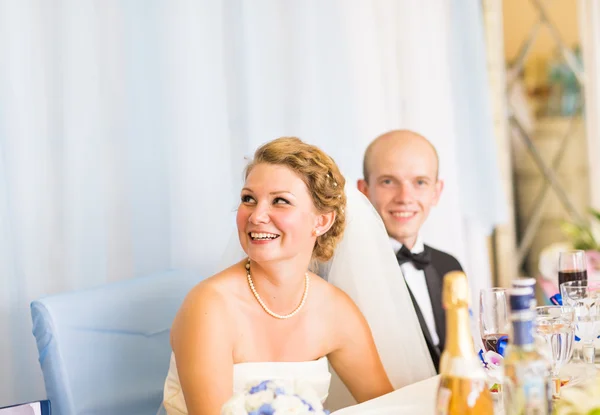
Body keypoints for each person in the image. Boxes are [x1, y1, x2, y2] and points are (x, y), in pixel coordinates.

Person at [162, 137, 394, 415]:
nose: (257, 216)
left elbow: (387, 406)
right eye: (249, 199)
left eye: (280, 201)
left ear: (321, 221)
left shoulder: (336, 309)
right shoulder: (210, 306)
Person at [357, 130, 463, 373]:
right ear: (364, 190)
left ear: (436, 192)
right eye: (388, 181)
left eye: (420, 182)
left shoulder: (449, 265)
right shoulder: (348, 275)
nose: (405, 197)